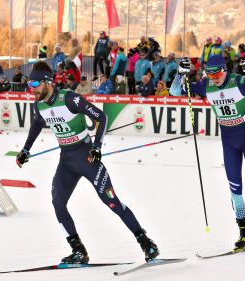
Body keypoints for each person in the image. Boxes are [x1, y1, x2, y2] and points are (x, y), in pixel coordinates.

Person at [16, 60, 160, 264]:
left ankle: (146, 242)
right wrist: (25, 150)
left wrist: (97, 147)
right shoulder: (38, 105)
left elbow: (101, 117)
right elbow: (37, 123)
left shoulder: (70, 99)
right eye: (28, 85)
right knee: (58, 203)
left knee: (111, 201)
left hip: (86, 156)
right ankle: (78, 250)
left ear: (48, 82)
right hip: (66, 160)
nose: (31, 89)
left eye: (34, 85)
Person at [170, 55, 245, 250]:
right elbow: (174, 91)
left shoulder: (238, 80)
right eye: (210, 74)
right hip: (229, 141)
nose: (214, 78)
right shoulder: (206, 85)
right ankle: (244, 232)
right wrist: (180, 74)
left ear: (224, 70)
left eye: (217, 73)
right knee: (235, 191)